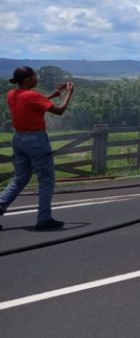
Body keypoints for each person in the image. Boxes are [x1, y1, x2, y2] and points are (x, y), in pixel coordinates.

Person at [1, 66, 74, 230]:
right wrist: (69, 93)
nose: (37, 78)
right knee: (46, 179)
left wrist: (52, 95)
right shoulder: (33, 95)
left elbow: (29, 105)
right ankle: (44, 219)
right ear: (28, 80)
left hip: (18, 139)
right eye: (35, 76)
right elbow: (60, 111)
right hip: (35, 139)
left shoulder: (12, 94)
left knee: (20, 177)